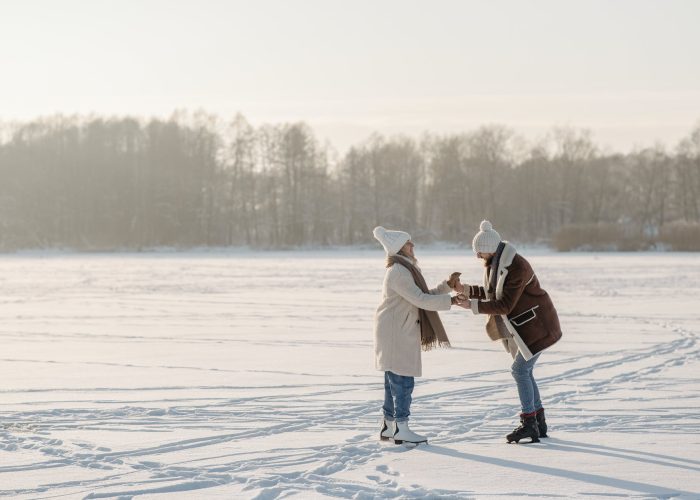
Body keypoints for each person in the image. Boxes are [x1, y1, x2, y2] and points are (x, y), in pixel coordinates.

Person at [453, 220, 562, 444]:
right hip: (524, 328)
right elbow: (492, 292)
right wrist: (467, 291)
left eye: (479, 252)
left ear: (490, 248)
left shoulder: (516, 267)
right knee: (526, 372)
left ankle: (529, 423)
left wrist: (471, 306)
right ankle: (538, 423)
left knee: (520, 371)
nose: (477, 257)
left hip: (537, 327)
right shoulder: (496, 264)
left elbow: (504, 305)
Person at [373, 226, 461, 445]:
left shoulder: (405, 269)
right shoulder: (398, 272)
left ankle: (389, 425)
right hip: (396, 333)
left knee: (393, 380)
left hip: (397, 330)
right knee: (402, 381)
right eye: (408, 243)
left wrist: (447, 287)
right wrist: (451, 301)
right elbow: (420, 300)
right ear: (400, 248)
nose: (413, 246)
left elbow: (422, 295)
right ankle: (401, 428)